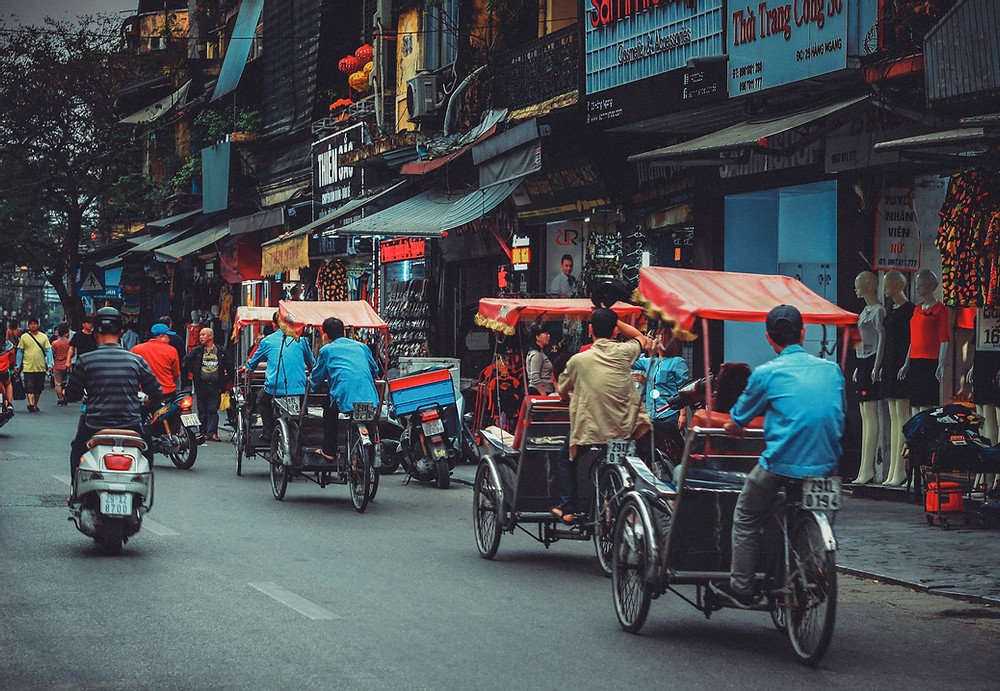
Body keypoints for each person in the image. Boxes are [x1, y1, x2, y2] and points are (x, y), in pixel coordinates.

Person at [710, 305, 845, 607]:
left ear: (769, 339)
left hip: (781, 463)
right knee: (811, 509)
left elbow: (738, 418)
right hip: (827, 465)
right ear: (803, 333)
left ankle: (741, 586)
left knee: (746, 514)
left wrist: (733, 426)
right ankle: (815, 567)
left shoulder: (766, 373)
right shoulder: (831, 370)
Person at [551, 308, 651, 523]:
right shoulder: (625, 352)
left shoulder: (579, 360)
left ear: (590, 330)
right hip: (624, 428)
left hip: (592, 430)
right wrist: (616, 321)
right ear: (615, 331)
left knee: (566, 458)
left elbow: (562, 389)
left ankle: (568, 508)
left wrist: (567, 399)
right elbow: (642, 338)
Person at [64, 307, 162, 503]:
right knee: (148, 449)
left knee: (77, 449)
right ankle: (140, 496)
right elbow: (156, 392)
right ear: (121, 332)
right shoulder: (136, 360)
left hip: (94, 426)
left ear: (96, 332)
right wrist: (150, 403)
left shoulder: (86, 360)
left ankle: (76, 491)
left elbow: (71, 394)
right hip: (131, 425)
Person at [310, 317, 379, 462]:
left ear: (326, 335)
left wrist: (313, 387)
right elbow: (375, 370)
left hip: (344, 397)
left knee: (328, 409)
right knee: (369, 421)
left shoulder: (326, 350)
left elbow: (316, 377)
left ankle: (329, 451)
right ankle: (370, 458)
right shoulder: (362, 347)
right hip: (369, 397)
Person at [245, 311, 314, 443]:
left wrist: (247, 367)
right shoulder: (302, 340)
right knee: (300, 411)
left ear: (274, 325)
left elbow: (252, 364)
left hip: (274, 388)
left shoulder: (267, 341)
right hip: (298, 388)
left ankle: (268, 433)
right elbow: (312, 364)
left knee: (261, 400)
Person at [874, 269, 914, 487]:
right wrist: (880, 366)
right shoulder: (892, 309)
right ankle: (892, 470)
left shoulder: (910, 310)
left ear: (898, 285)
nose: (885, 289)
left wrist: (906, 364)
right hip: (890, 366)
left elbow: (911, 340)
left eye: (888, 285)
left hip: (901, 366)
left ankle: (901, 469)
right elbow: (886, 339)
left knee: (902, 418)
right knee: (893, 417)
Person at [851, 271, 885, 484]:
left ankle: (868, 468)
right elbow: (858, 339)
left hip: (872, 360)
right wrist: (857, 364)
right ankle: (864, 467)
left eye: (859, 284)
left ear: (870, 286)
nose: (856, 288)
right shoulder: (865, 311)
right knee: (864, 414)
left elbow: (882, 337)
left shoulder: (879, 311)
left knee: (871, 415)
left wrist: (877, 365)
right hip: (862, 361)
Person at [635, 323, 689, 452]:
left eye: (658, 337)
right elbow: (629, 361)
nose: (654, 339)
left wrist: (683, 414)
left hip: (669, 413)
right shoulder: (649, 361)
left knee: (673, 447)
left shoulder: (677, 362)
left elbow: (683, 389)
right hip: (651, 414)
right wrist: (643, 345)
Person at [182, 327, 234, 442]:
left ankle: (212, 433)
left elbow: (229, 366)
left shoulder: (221, 351)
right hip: (201, 384)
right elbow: (185, 361)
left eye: (203, 335)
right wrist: (194, 371)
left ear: (210, 336)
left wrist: (230, 381)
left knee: (213, 409)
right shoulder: (198, 351)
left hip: (215, 385)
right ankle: (203, 432)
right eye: (200, 335)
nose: (201, 337)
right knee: (202, 409)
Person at [131, 323, 181, 396]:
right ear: (161, 336)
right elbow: (176, 374)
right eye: (168, 336)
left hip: (145, 393)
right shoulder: (171, 350)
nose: (169, 339)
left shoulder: (136, 349)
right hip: (167, 391)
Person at [15, 317, 53, 413]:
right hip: (28, 366)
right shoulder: (24, 337)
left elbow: (48, 351)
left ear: (38, 325)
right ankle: (31, 404)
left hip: (40, 367)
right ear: (28, 326)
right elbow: (20, 351)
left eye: (35, 324)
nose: (33, 325)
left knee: (38, 387)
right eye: (31, 324)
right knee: (29, 386)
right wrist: (17, 365)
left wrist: (50, 363)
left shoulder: (43, 337)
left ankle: (35, 404)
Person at [525, 322, 556, 395]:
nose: (548, 336)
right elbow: (534, 377)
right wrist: (543, 394)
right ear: (537, 337)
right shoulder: (536, 354)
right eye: (545, 333)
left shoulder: (540, 353)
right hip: (539, 392)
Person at [50, 324, 72, 406]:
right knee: (67, 382)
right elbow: (72, 353)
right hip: (67, 365)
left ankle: (60, 398)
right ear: (66, 333)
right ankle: (64, 395)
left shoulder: (55, 343)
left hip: (57, 365)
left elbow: (52, 353)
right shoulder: (69, 343)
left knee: (58, 383)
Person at [0, 332, 17, 419]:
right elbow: (11, 360)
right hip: (3, 372)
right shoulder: (8, 346)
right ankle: (10, 404)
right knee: (8, 383)